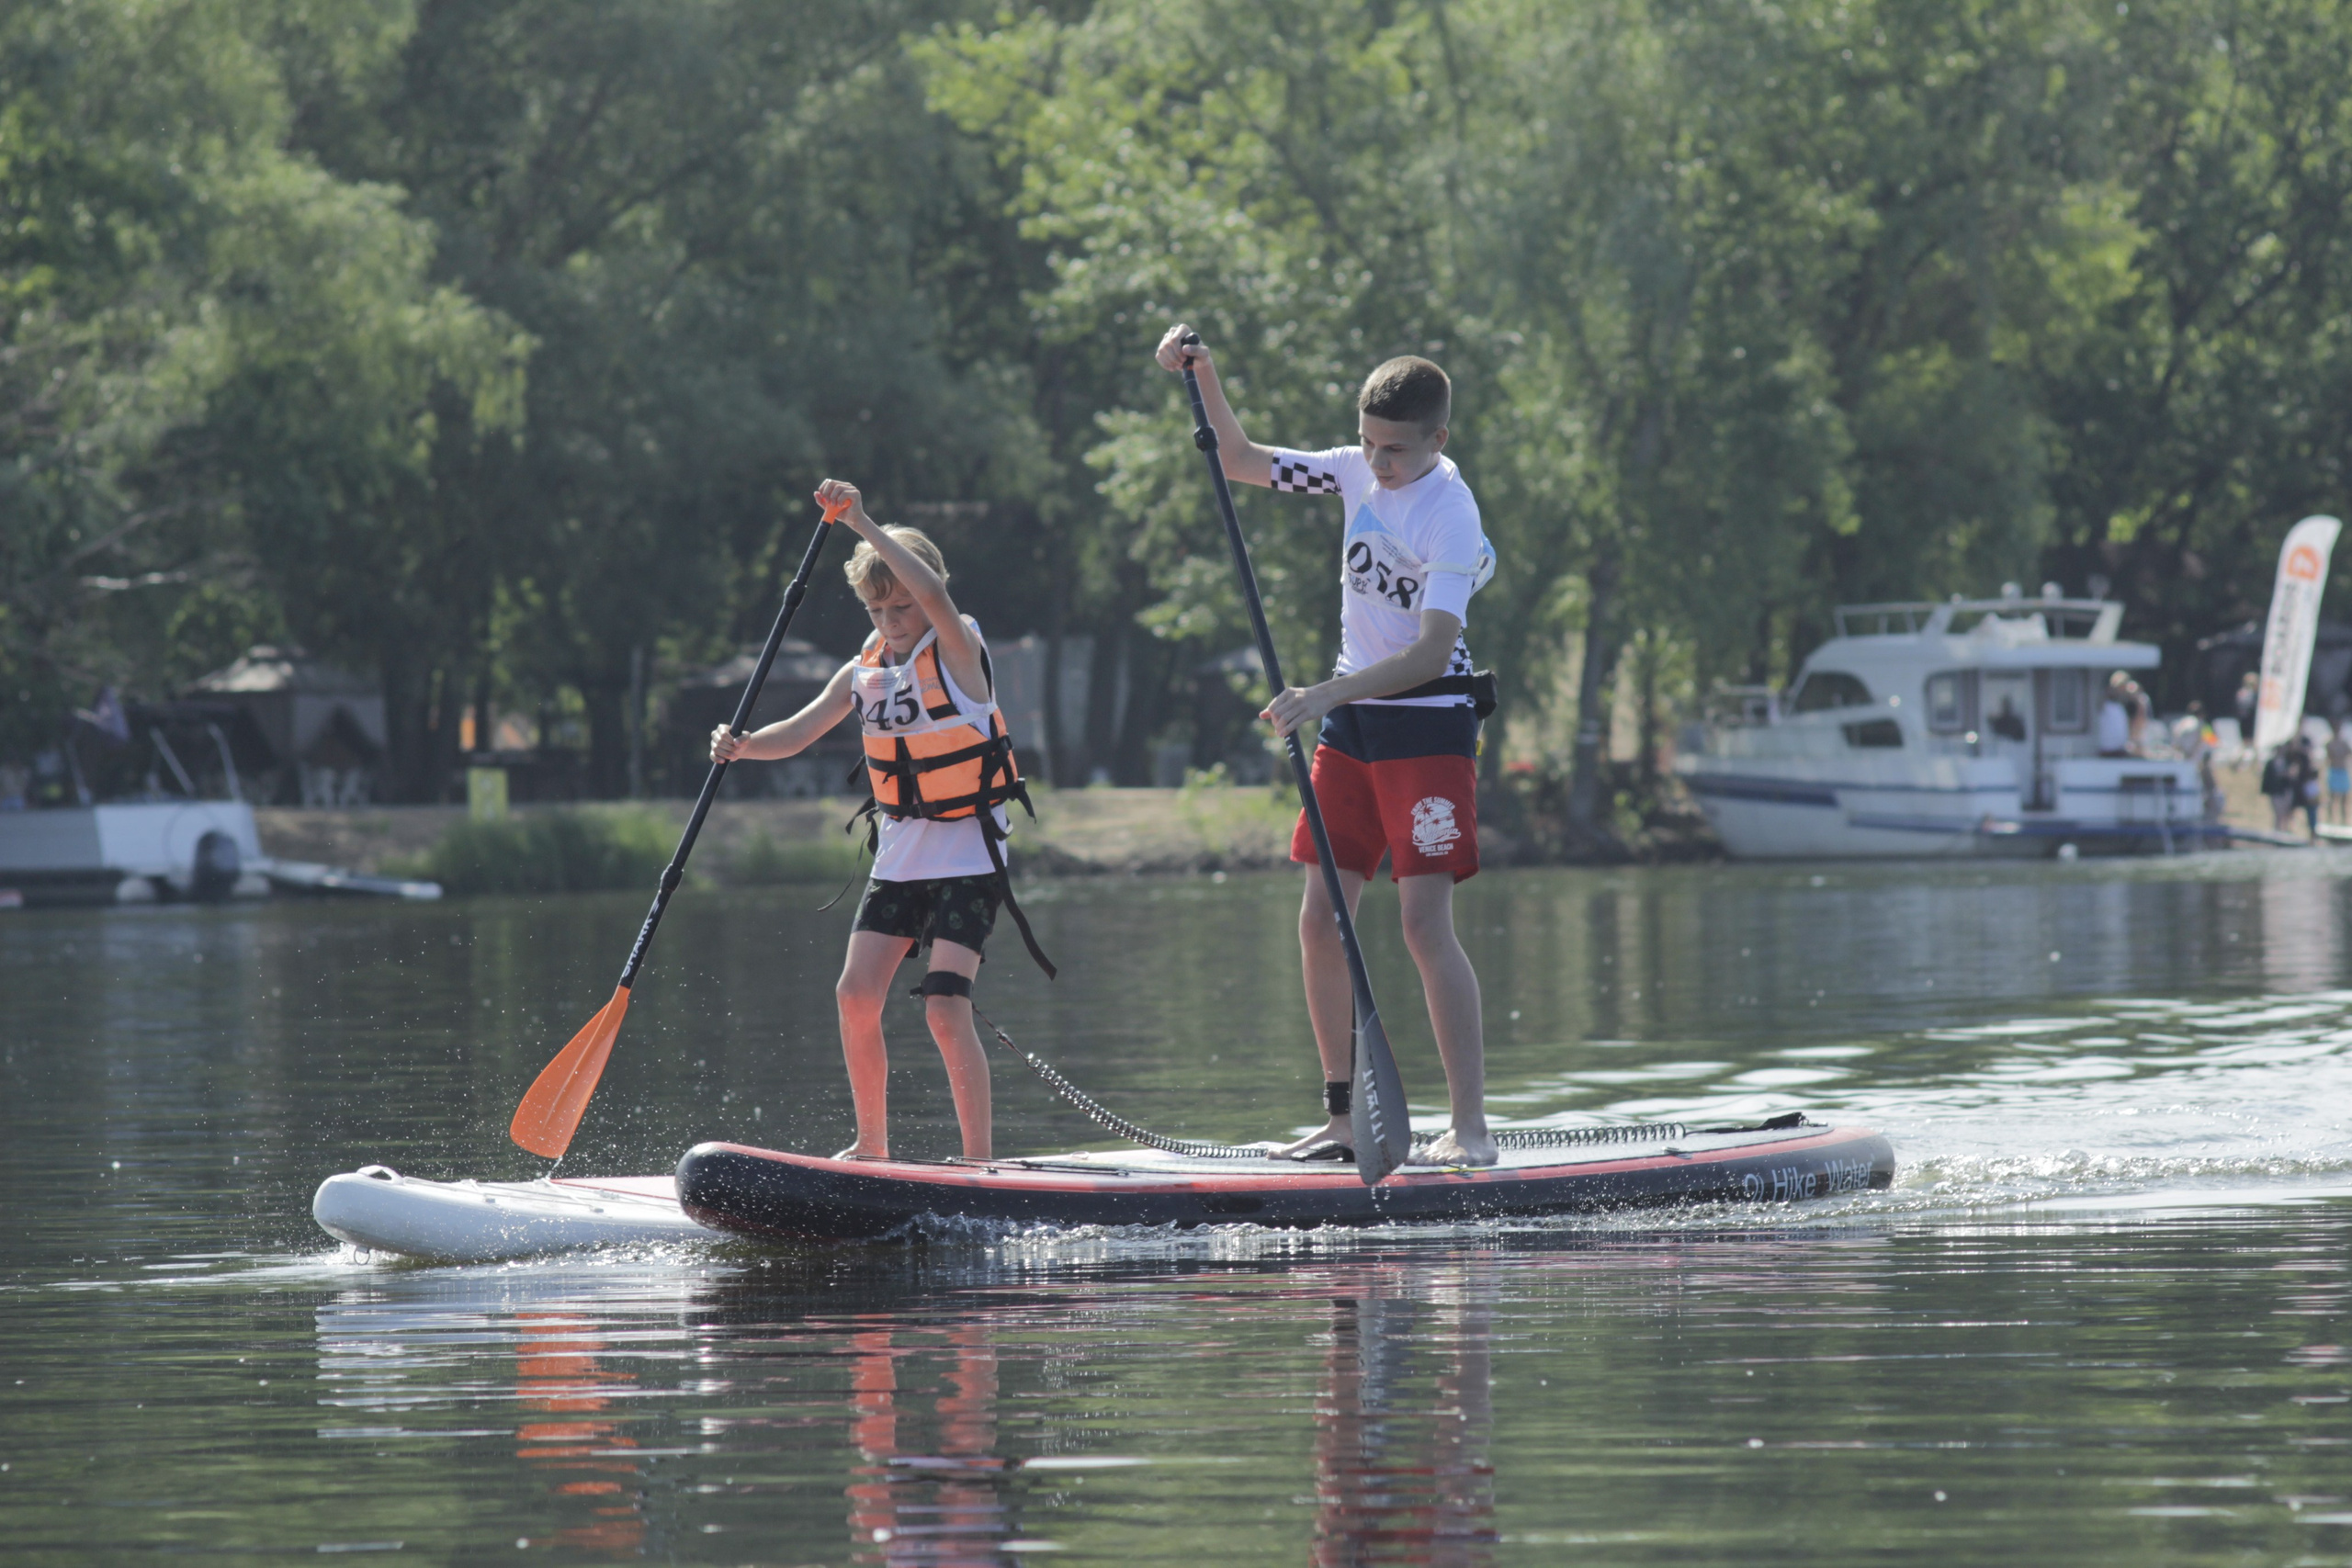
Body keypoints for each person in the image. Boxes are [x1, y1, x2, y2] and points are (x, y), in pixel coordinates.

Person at [1156, 322, 1498, 1168]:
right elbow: (1239, 460)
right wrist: (1203, 373)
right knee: (1319, 918)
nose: (1377, 462)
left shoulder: (1451, 515)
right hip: (1352, 722)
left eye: (1395, 449)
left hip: (1428, 720)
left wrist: (1322, 695)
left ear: (1438, 440)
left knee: (1423, 925)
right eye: (1369, 442)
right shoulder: (1351, 469)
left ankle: (1471, 1129)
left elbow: (1430, 653)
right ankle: (1345, 1121)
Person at [710, 479, 1043, 1161]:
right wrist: (740, 746)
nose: (891, 620)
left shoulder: (958, 649)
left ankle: (979, 1162)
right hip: (901, 857)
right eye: (876, 607)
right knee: (855, 996)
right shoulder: (862, 671)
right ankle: (872, 1146)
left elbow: (935, 596)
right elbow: (797, 732)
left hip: (970, 858)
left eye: (900, 605)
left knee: (944, 1006)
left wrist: (861, 522)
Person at [2097, 673, 2133, 757]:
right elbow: (2100, 701)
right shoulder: (2104, 705)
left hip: (2120, 751)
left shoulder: (2120, 707)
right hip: (2107, 751)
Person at [2327, 723, 2350, 827]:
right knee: (2332, 796)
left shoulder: (2344, 743)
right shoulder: (2330, 743)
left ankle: (2344, 820)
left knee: (2344, 797)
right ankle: (2330, 819)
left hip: (2342, 771)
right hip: (2334, 770)